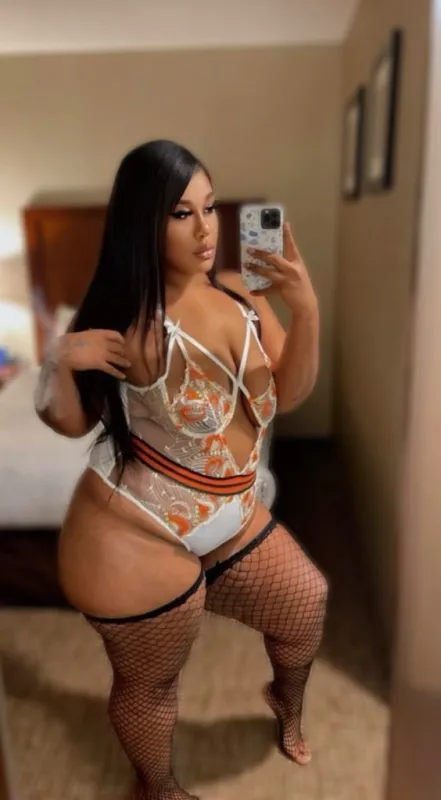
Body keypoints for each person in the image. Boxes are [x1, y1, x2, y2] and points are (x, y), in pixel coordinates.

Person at [34, 140, 328, 800]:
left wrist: (305, 308)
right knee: (152, 685)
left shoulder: (238, 290)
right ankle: (156, 787)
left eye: (210, 207)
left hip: (227, 508)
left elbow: (288, 391)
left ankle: (284, 701)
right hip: (135, 533)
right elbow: (74, 424)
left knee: (305, 604)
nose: (205, 231)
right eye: (180, 213)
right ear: (144, 222)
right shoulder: (129, 324)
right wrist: (58, 361)